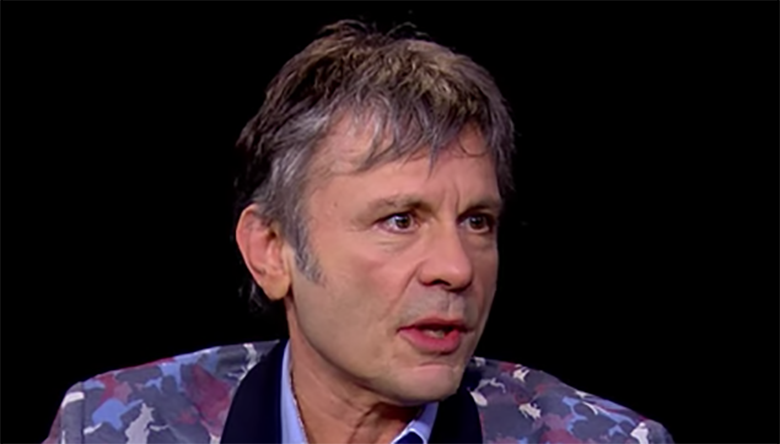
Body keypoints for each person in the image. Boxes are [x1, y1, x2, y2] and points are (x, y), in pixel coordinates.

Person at [43, 20, 674, 444]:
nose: (456, 268)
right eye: (400, 220)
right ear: (272, 251)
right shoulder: (108, 427)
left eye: (477, 222)